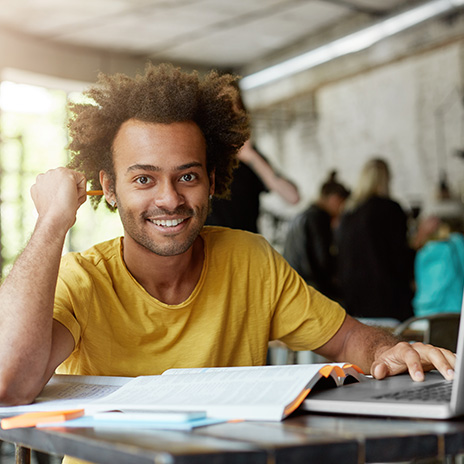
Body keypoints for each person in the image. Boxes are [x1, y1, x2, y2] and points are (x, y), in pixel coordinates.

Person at [0, 64, 454, 420]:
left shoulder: (250, 259)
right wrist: (51, 224)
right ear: (109, 187)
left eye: (188, 176)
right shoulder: (81, 281)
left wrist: (386, 350)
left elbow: (349, 338)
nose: (170, 199)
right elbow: (10, 383)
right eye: (143, 179)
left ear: (211, 180)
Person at [336, 158, 437, 322]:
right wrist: (422, 235)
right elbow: (401, 261)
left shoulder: (347, 213)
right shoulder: (390, 209)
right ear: (386, 179)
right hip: (388, 303)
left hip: (355, 304)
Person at [205, 87, 300, 232]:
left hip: (246, 249)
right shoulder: (201, 154)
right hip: (209, 249)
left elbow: (292, 197)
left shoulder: (250, 157)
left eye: (234, 108)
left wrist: (251, 157)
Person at [283, 171, 349, 300]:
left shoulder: (303, 215)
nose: (342, 210)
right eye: (342, 204)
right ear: (334, 199)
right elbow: (323, 260)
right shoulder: (319, 218)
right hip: (311, 288)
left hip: (296, 285)